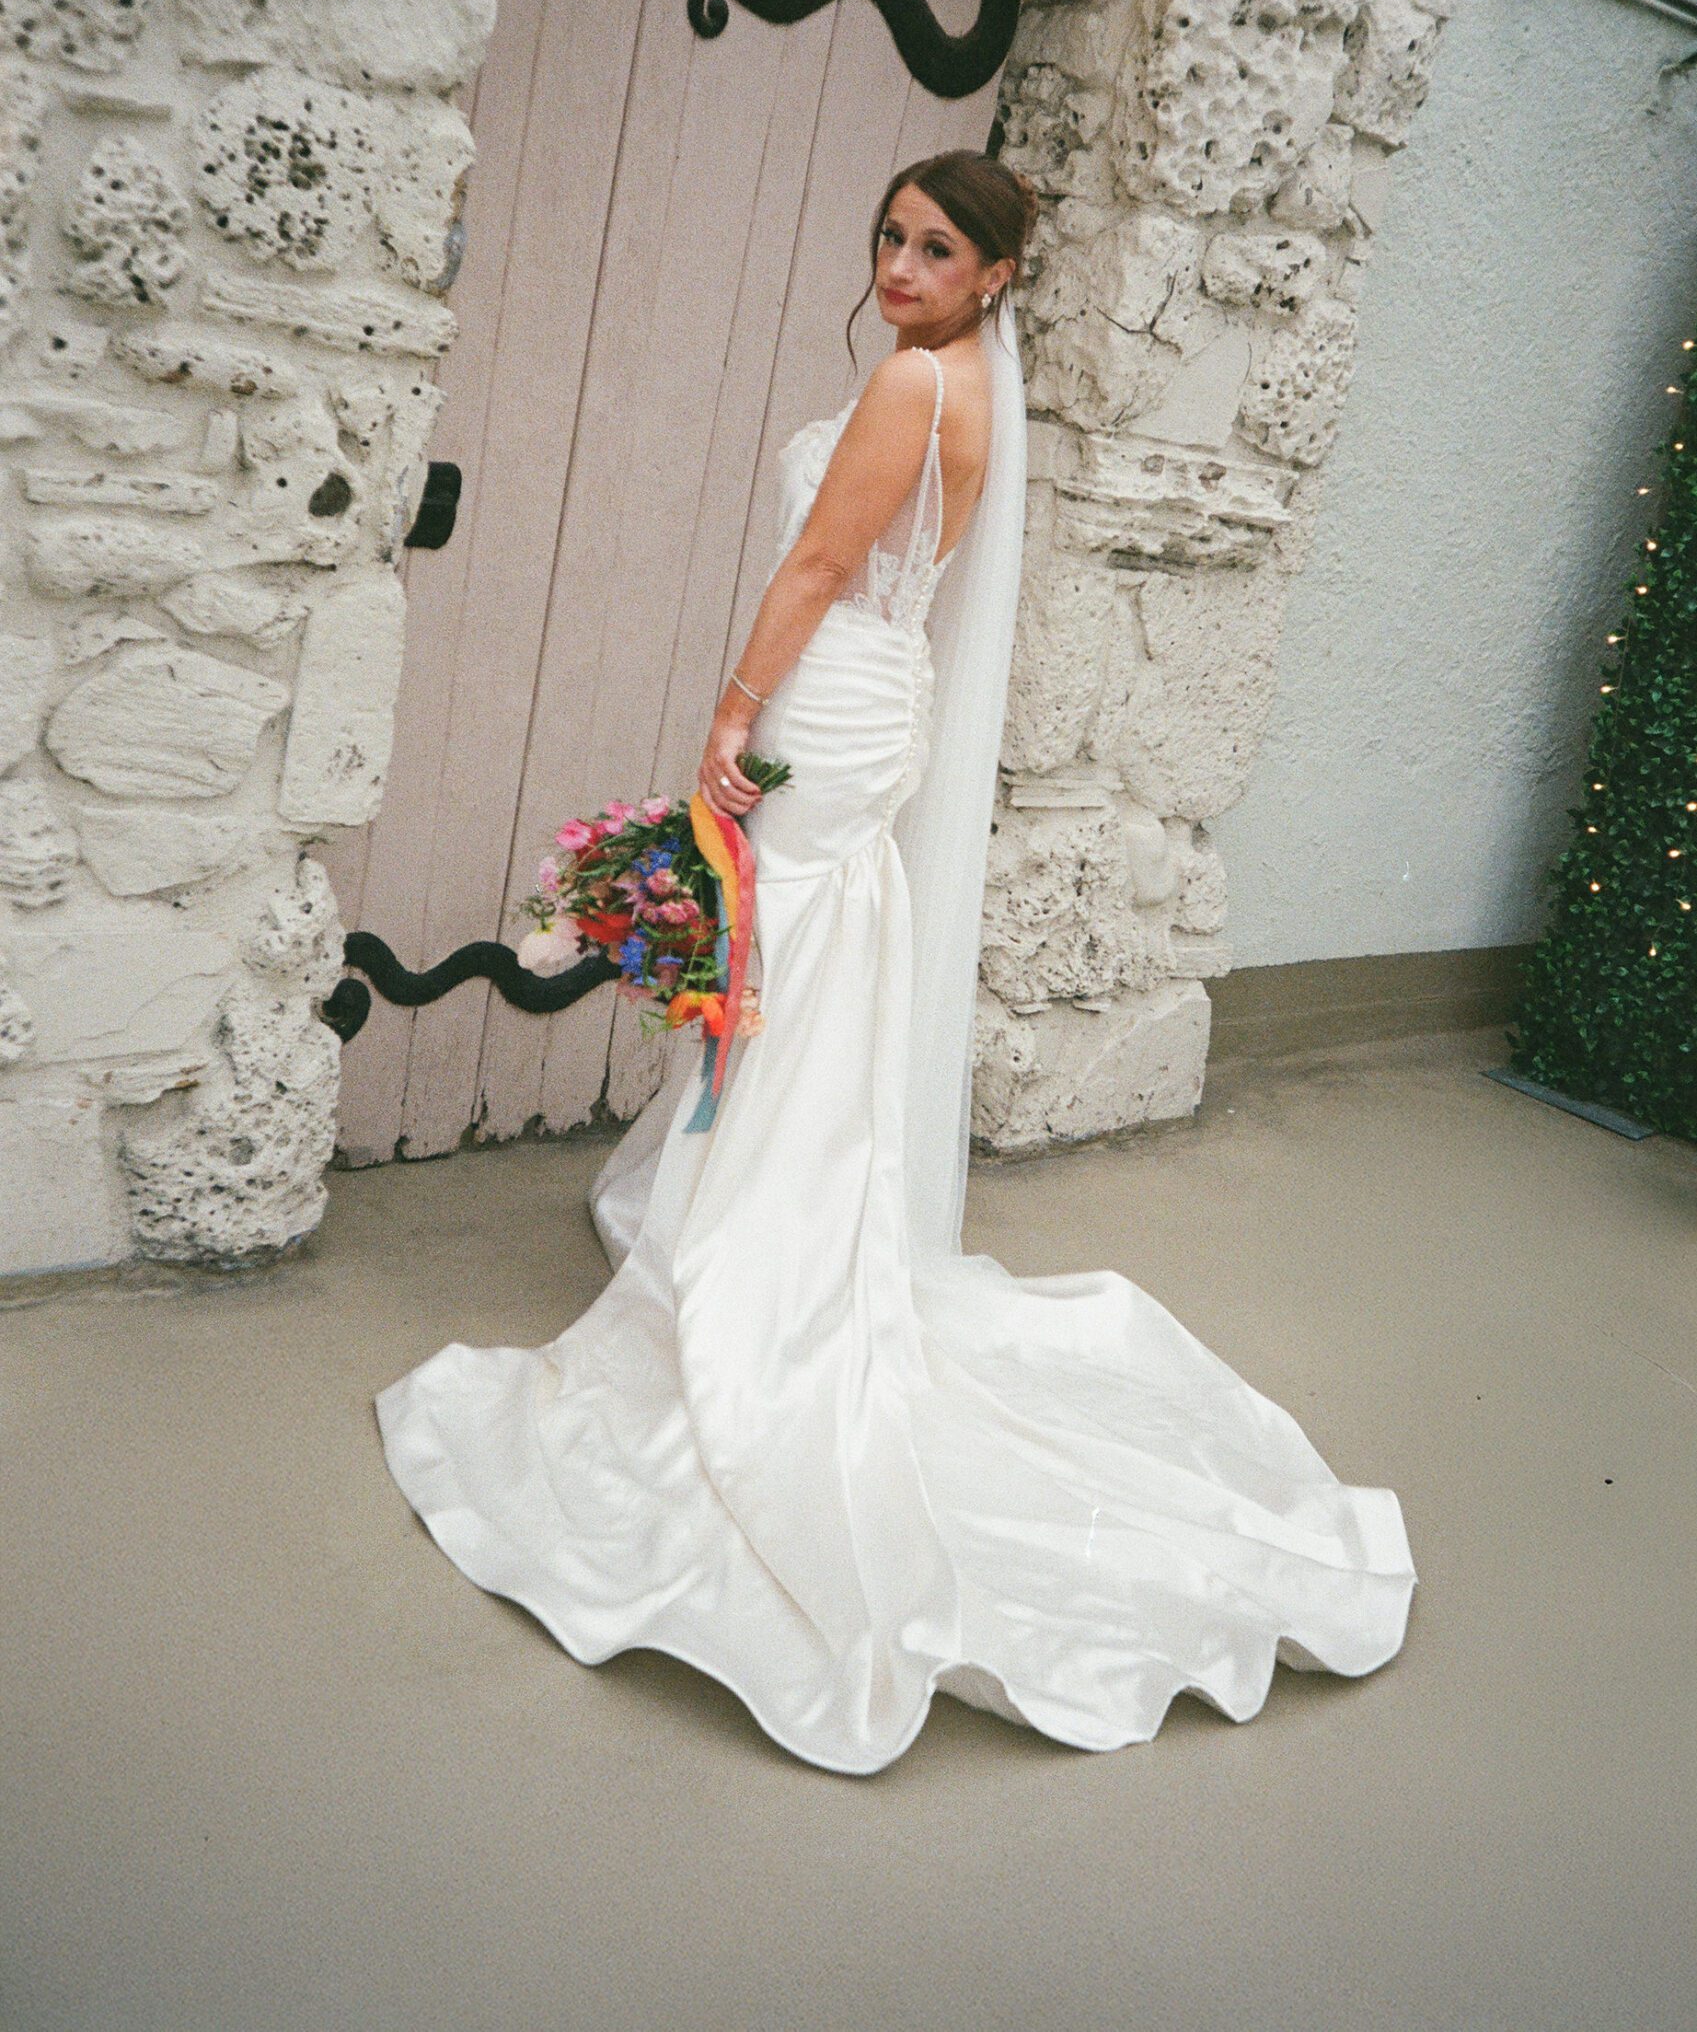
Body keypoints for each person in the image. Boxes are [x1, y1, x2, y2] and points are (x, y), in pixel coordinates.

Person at [377, 150, 1415, 1775]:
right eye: (888, 237)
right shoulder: (981, 390)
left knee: (779, 970)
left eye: (936, 248)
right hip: (881, 702)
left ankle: (753, 1266)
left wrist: (731, 714)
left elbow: (814, 566)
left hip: (827, 700)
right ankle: (766, 1218)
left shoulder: (914, 381)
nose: (900, 266)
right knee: (808, 969)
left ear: (995, 273)